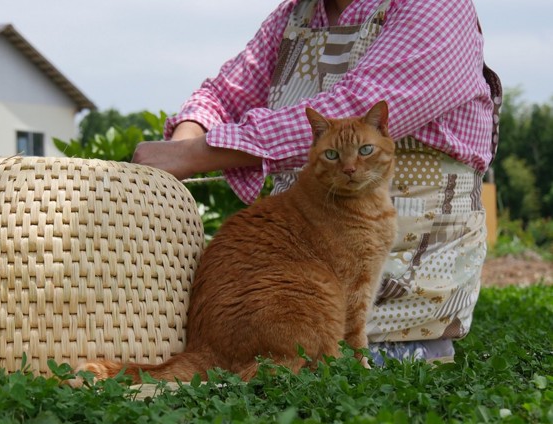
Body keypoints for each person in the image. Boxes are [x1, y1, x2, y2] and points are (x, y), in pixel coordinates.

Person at [132, 0, 502, 364]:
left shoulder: (436, 4)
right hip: (292, 292)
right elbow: (223, 95)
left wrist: (195, 154)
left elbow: (357, 104)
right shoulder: (296, 13)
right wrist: (181, 145)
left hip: (405, 327)